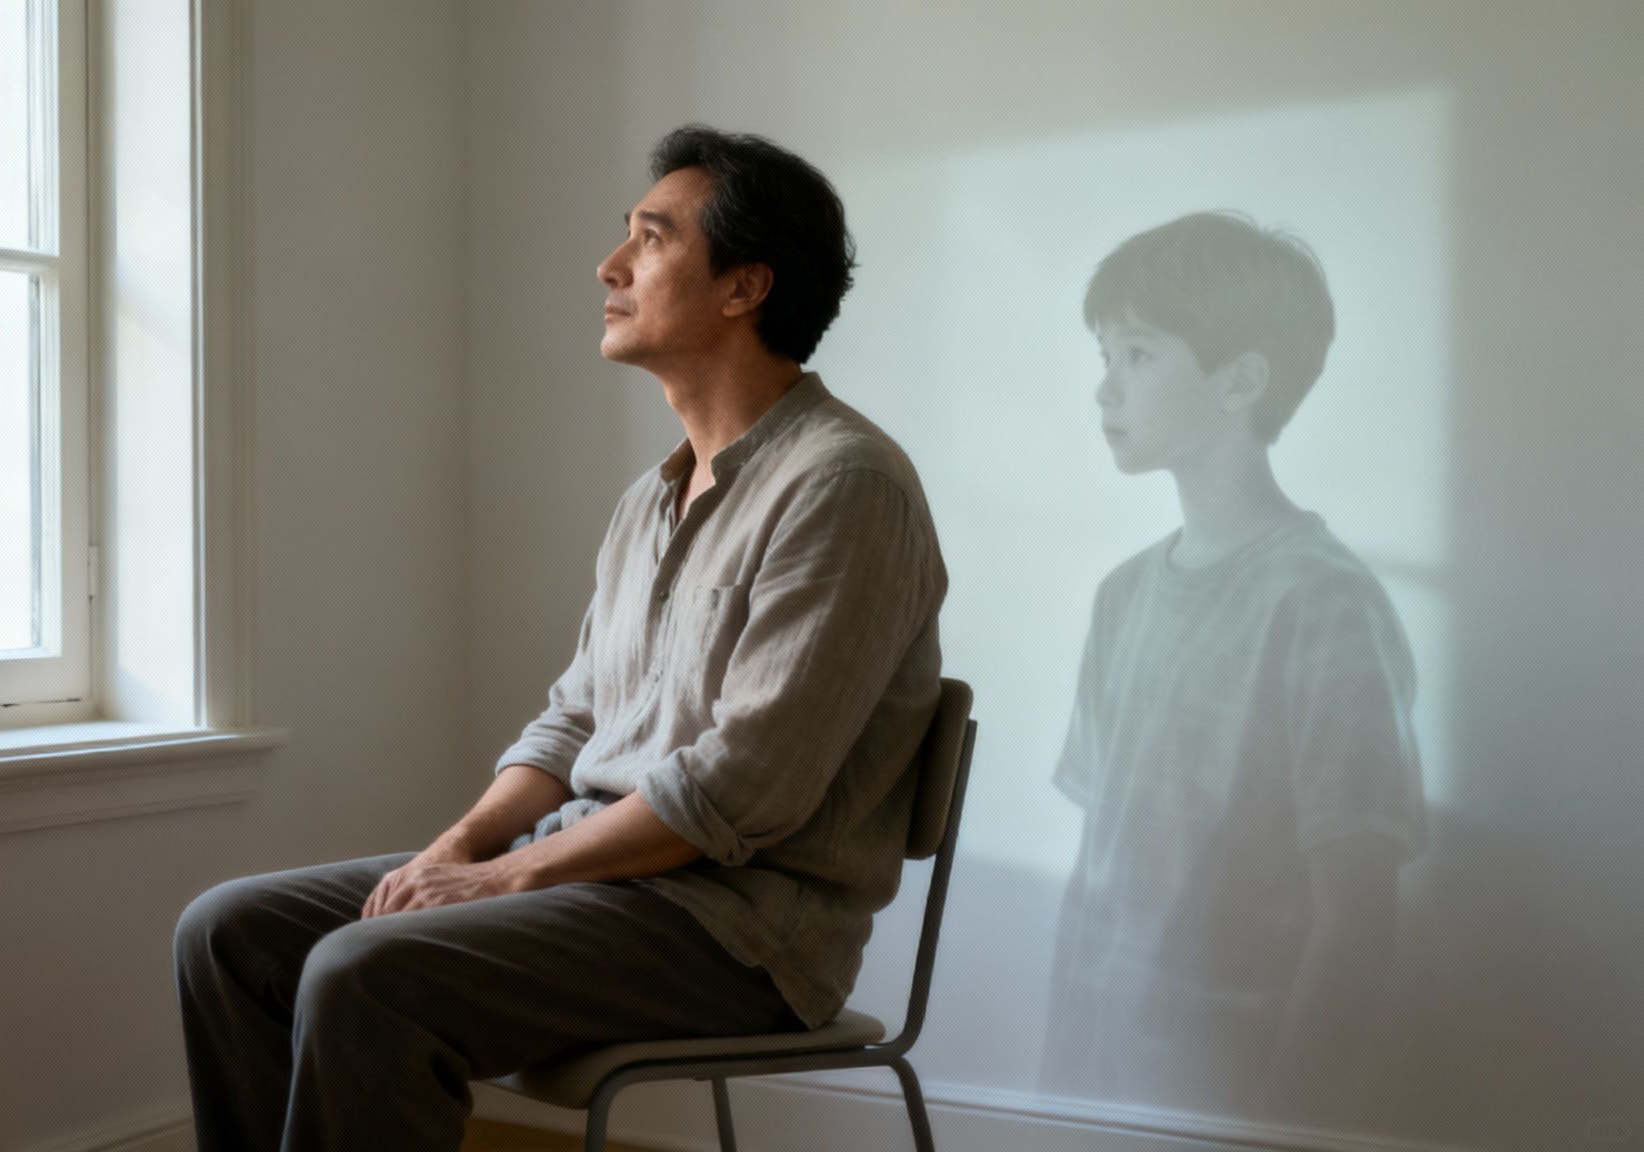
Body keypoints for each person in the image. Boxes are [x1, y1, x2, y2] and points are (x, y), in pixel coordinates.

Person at [174, 125, 948, 1151]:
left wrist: (497, 881)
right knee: (229, 934)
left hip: (736, 930)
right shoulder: (648, 501)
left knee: (366, 975)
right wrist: (455, 851)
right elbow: (572, 721)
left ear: (743, 286)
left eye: (651, 238)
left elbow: (744, 786)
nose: (609, 265)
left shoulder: (844, 484)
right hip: (597, 875)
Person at [1037, 211, 1428, 1119]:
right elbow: (1094, 871)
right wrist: (1053, 1084)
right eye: (1105, 355)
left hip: (1231, 1090)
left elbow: (1356, 914)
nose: (1105, 388)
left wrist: (1278, 1121)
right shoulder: (1123, 596)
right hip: (1099, 1087)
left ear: (1241, 380)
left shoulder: (1323, 602)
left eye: (1138, 355)